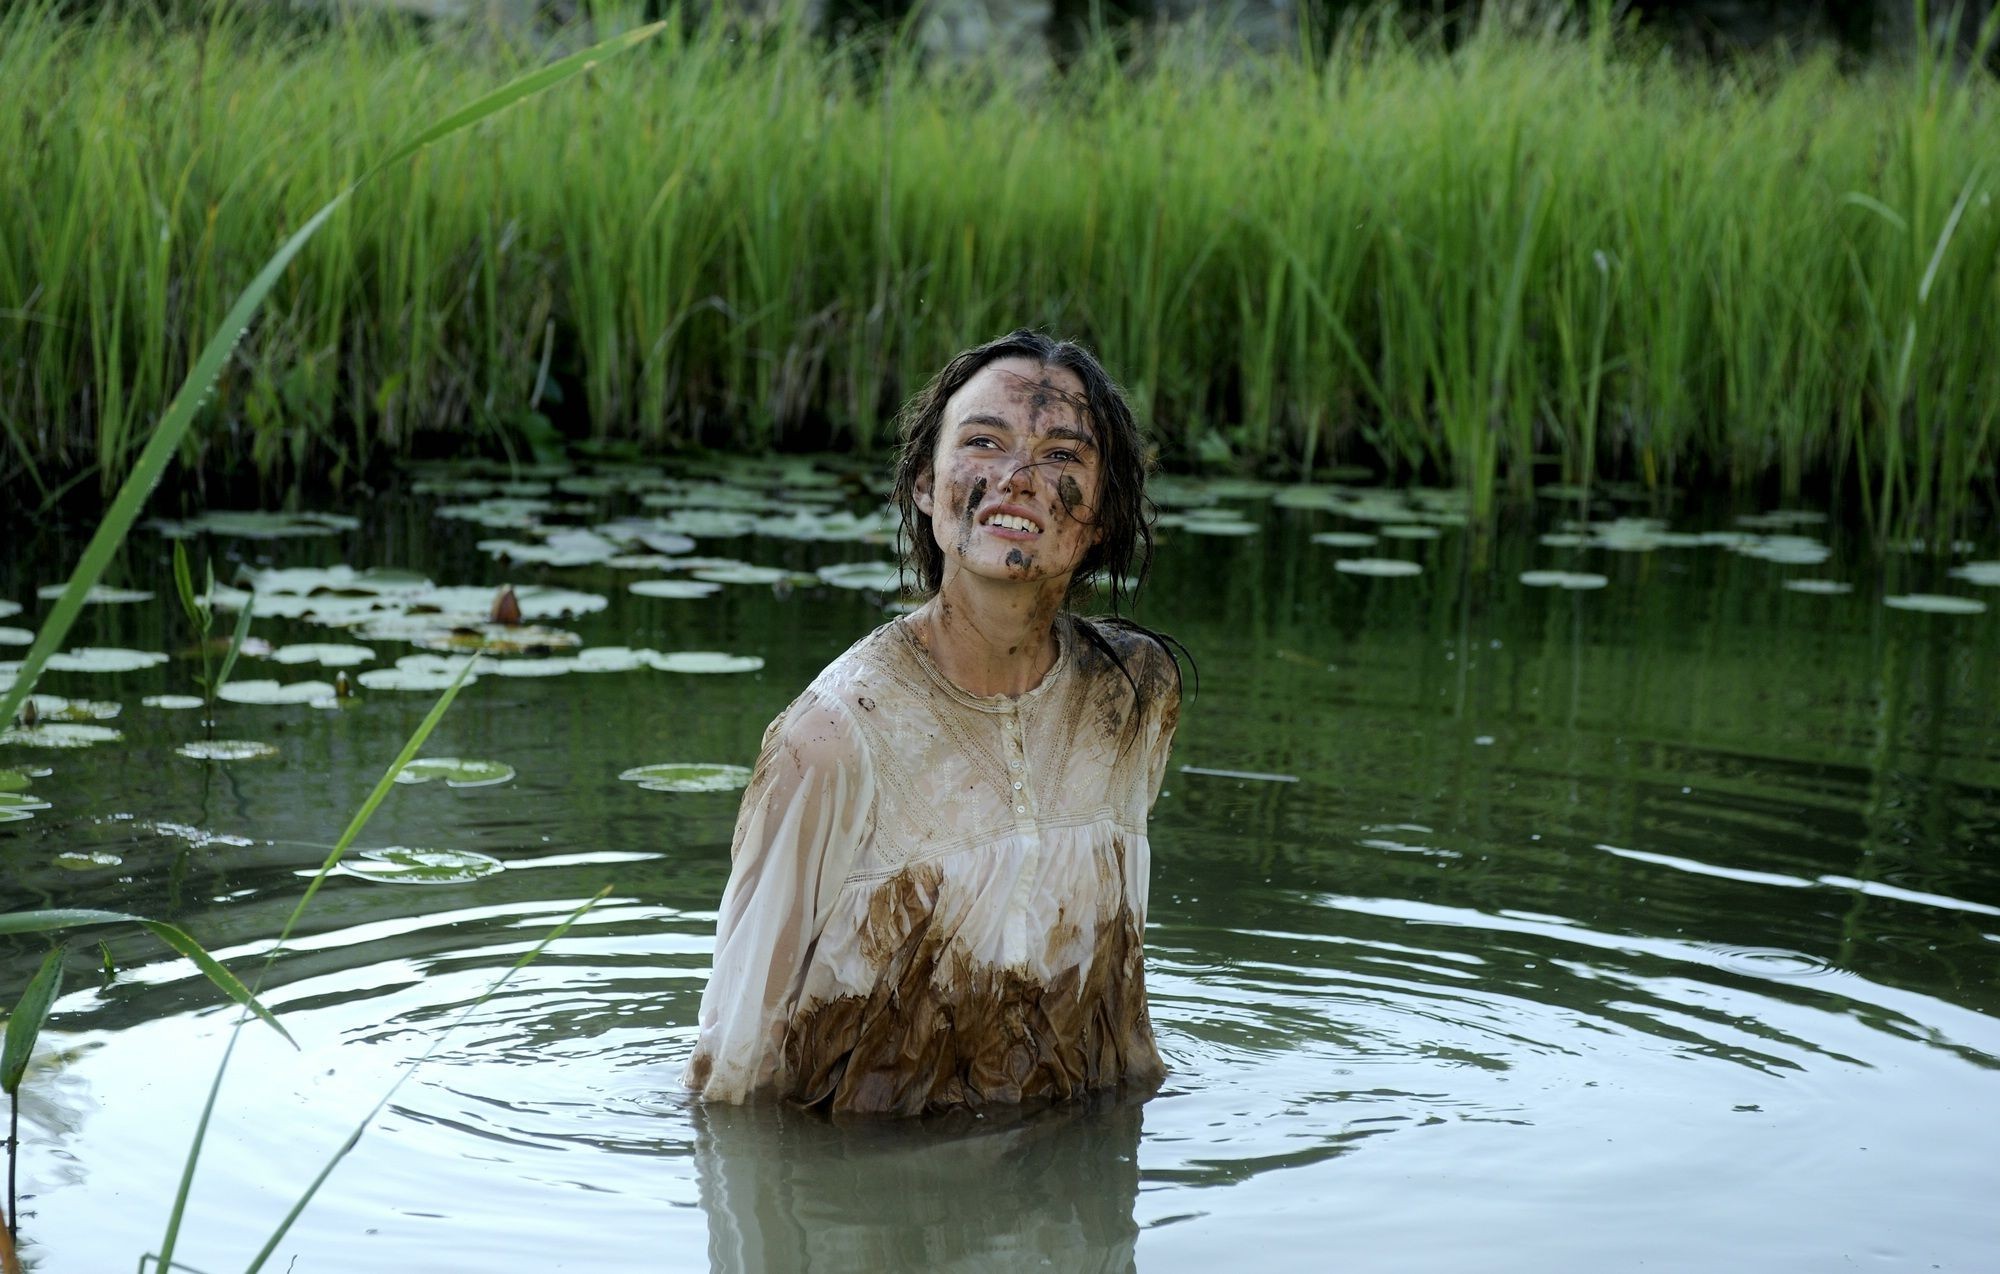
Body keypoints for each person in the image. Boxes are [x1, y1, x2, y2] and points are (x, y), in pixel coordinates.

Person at [685, 329, 1184, 1117]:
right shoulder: (834, 738)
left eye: (1061, 456)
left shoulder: (1130, 700)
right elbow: (734, 1059)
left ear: (1098, 518)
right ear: (926, 484)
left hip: (1075, 1186)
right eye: (984, 442)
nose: (1019, 477)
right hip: (864, 1195)